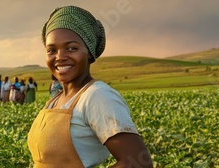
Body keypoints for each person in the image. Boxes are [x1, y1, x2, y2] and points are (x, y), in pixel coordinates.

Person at [27, 6, 152, 167]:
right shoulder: (56, 99)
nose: (60, 57)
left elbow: (138, 162)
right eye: (52, 50)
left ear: (89, 52)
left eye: (72, 48)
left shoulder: (97, 95)